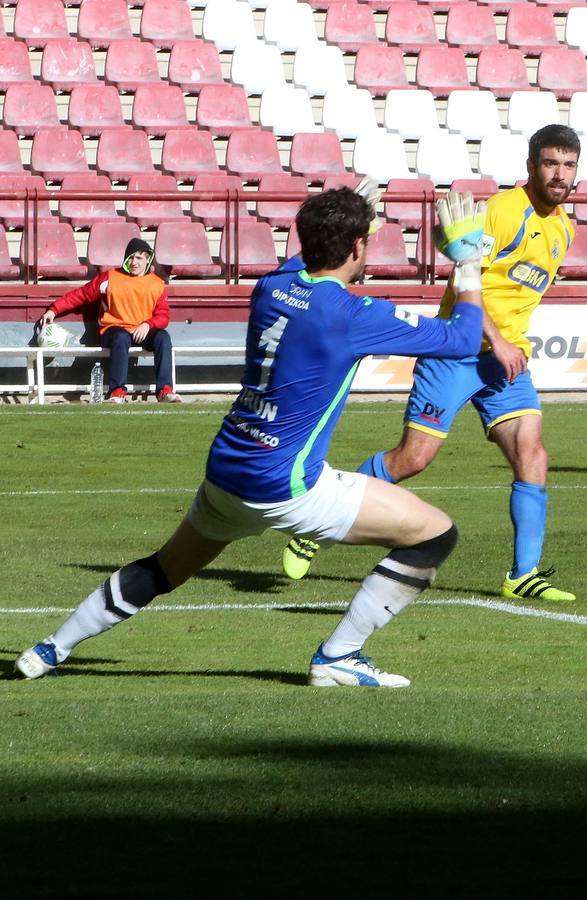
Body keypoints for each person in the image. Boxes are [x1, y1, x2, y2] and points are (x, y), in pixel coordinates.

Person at [14, 187, 490, 687]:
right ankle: (338, 656)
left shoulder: (269, 288)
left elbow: (303, 265)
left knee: (163, 569)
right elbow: (460, 338)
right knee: (436, 534)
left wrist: (338, 225)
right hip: (285, 487)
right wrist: (468, 261)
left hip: (228, 469)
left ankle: (50, 649)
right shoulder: (352, 314)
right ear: (357, 246)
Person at [282, 124, 582, 603]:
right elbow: (467, 280)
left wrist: (510, 346)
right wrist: (498, 340)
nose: (559, 174)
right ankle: (315, 526)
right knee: (413, 459)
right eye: (550, 163)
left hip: (503, 364)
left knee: (534, 455)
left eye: (568, 165)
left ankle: (522, 575)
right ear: (530, 166)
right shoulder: (503, 212)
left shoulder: (563, 228)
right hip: (456, 351)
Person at [38, 237, 182, 403]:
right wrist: (54, 309)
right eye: (131, 258)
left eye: (139, 258)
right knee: (121, 337)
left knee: (163, 337)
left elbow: (163, 316)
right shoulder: (110, 277)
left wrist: (148, 325)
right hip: (113, 330)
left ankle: (165, 391)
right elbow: (81, 295)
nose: (134, 262)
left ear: (148, 259)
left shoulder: (157, 284)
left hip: (141, 331)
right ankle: (117, 392)